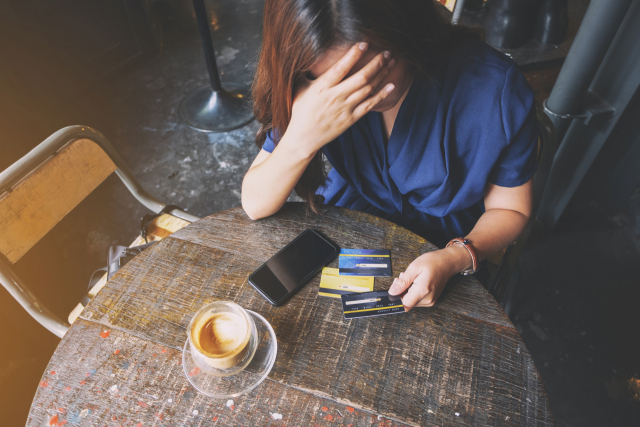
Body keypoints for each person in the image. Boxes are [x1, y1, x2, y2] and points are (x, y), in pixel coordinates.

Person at [242, 0, 538, 311]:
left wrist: (455, 257)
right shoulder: (308, 87)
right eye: (340, 85)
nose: (365, 95)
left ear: (404, 31)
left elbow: (511, 210)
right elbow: (255, 203)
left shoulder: (493, 89)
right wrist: (303, 137)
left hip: (453, 244)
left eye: (377, 71)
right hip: (352, 220)